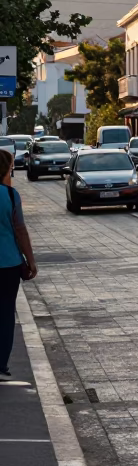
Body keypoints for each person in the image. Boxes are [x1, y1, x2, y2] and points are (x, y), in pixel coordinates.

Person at [0, 149, 37, 377]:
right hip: (9, 264)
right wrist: (30, 261)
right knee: (5, 314)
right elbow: (20, 231)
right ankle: (1, 364)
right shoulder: (11, 196)